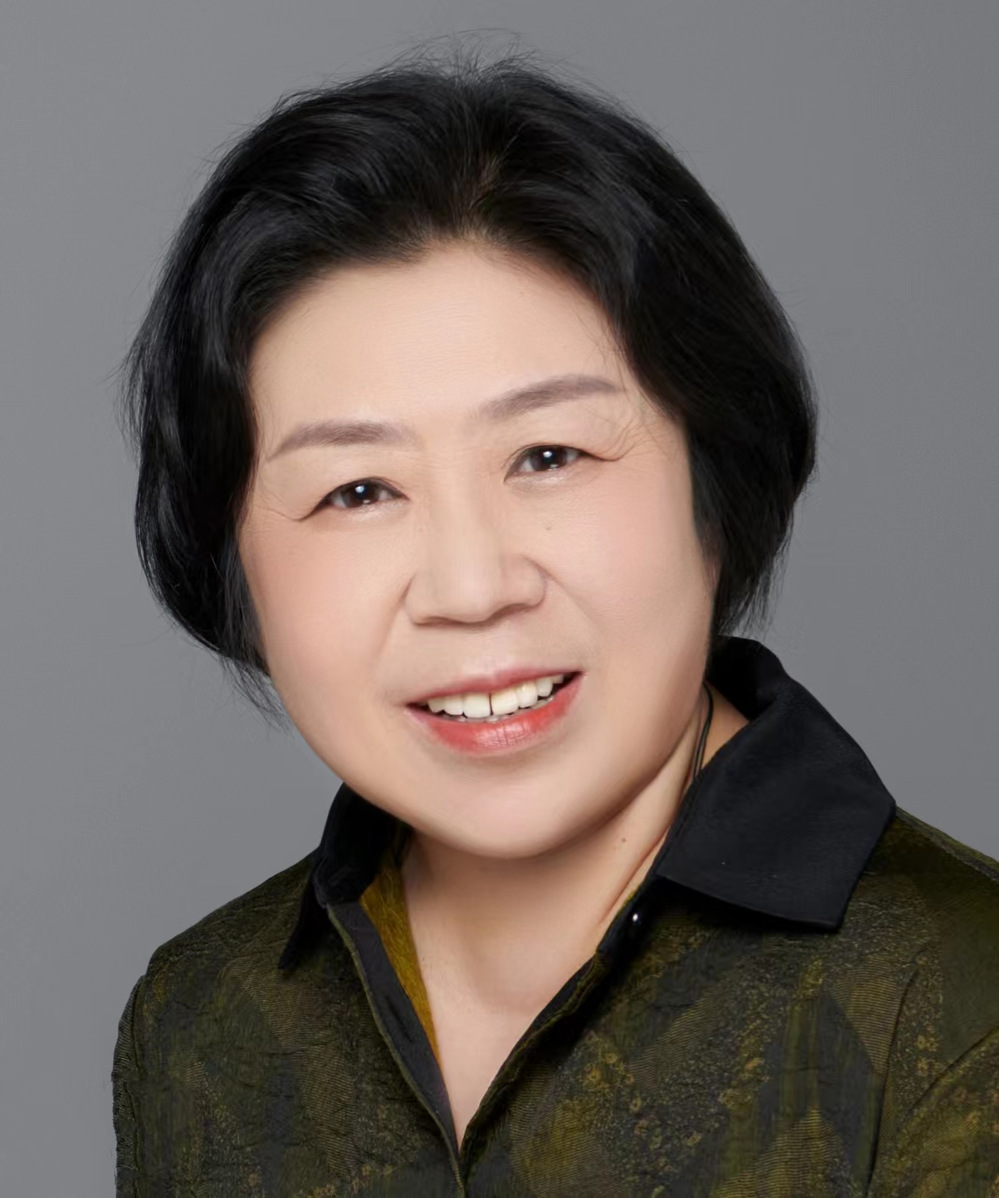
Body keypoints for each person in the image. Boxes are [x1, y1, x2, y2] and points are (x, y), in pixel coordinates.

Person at [111, 41, 999, 1197]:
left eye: (548, 455)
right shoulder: (204, 1024)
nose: (471, 585)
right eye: (359, 490)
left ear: (717, 482)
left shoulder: (957, 1007)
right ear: (233, 562)